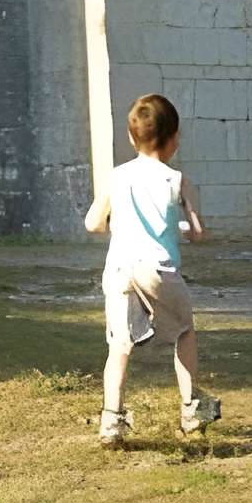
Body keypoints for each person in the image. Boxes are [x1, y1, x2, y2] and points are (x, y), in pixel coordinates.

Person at [83, 91, 218, 446]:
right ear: (174, 138)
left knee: (120, 345)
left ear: (131, 137)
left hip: (119, 271)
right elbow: (199, 233)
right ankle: (191, 408)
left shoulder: (117, 176)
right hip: (158, 270)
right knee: (184, 330)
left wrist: (119, 223)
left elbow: (93, 223)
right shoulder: (176, 180)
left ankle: (111, 420)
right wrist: (189, 224)